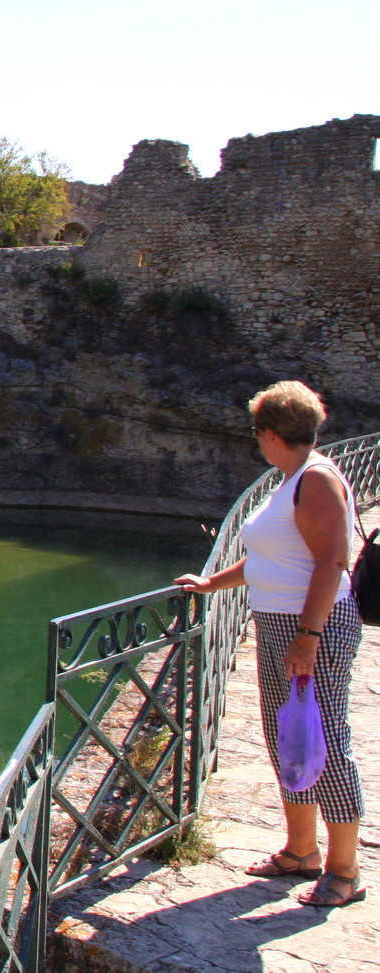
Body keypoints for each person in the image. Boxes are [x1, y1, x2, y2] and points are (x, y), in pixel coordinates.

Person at [176, 380, 365, 908]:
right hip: (282, 623)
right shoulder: (292, 479)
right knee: (290, 738)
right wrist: (214, 583)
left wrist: (308, 637)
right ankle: (301, 852)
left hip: (311, 627)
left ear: (269, 433)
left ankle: (345, 870)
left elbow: (332, 562)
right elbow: (271, 559)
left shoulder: (317, 481)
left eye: (256, 431)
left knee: (324, 740)